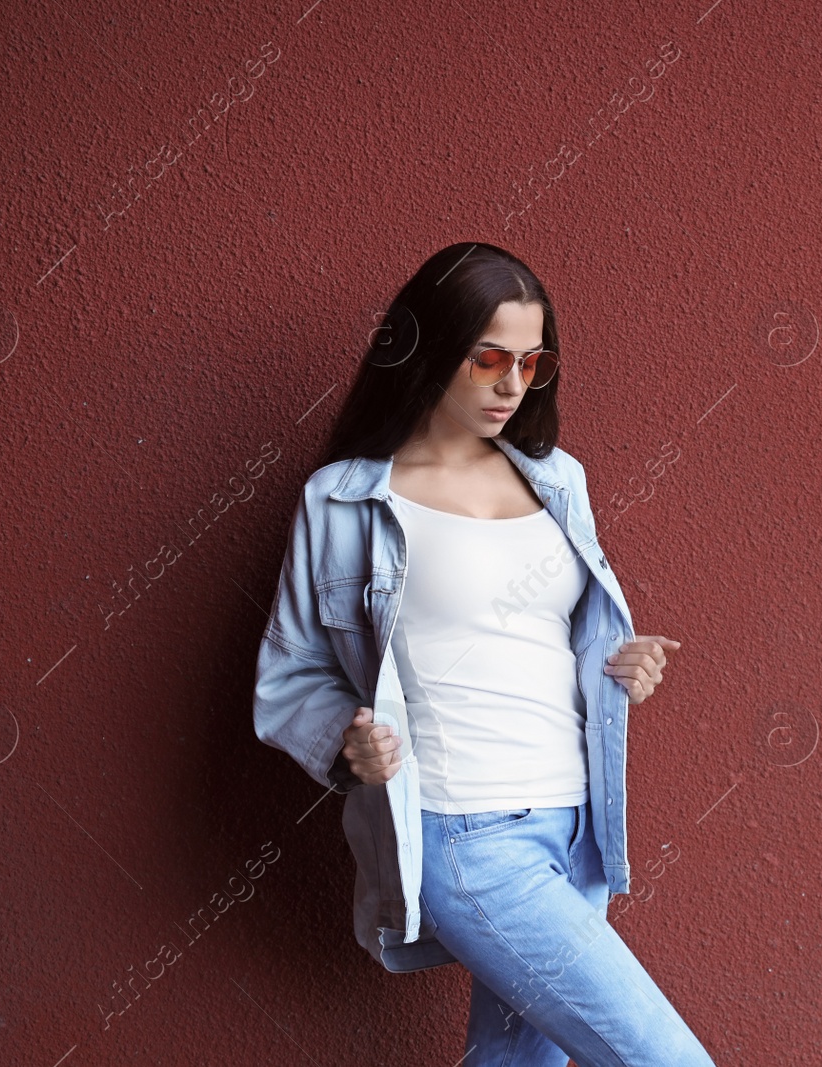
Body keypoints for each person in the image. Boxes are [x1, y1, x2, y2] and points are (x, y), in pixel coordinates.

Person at [252, 242, 716, 1065]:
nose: (512, 384)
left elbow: (542, 633)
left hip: (579, 829)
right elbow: (290, 674)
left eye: (532, 363)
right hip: (468, 834)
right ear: (431, 349)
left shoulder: (556, 480)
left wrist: (620, 660)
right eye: (490, 358)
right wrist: (347, 743)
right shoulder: (347, 499)